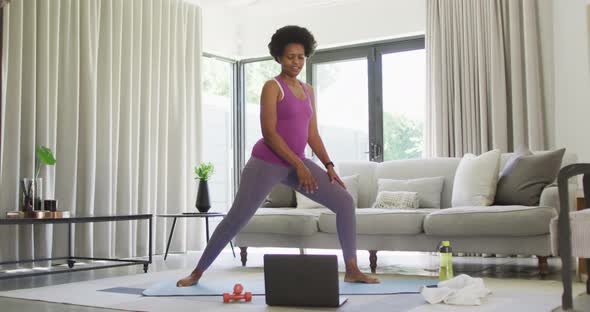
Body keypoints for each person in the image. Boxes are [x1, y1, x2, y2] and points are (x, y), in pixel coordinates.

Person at [177, 25, 379, 287]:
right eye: (290, 57)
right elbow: (270, 134)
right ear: (278, 58)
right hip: (267, 162)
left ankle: (352, 269)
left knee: (344, 201)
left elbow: (312, 135)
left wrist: (328, 165)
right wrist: (300, 164)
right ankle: (197, 272)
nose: (296, 62)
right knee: (237, 218)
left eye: (300, 57)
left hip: (295, 161)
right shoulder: (272, 87)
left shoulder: (308, 91)